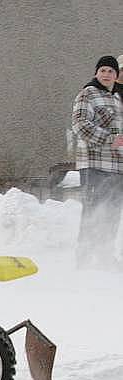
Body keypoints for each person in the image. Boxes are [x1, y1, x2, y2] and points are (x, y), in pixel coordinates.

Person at [71, 55, 123, 269]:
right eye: (103, 70)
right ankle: (84, 259)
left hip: (117, 167)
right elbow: (80, 125)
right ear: (96, 73)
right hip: (95, 166)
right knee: (92, 211)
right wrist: (110, 139)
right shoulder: (87, 94)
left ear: (116, 76)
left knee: (111, 213)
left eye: (111, 71)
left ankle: (104, 256)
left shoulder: (118, 99)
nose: (107, 74)